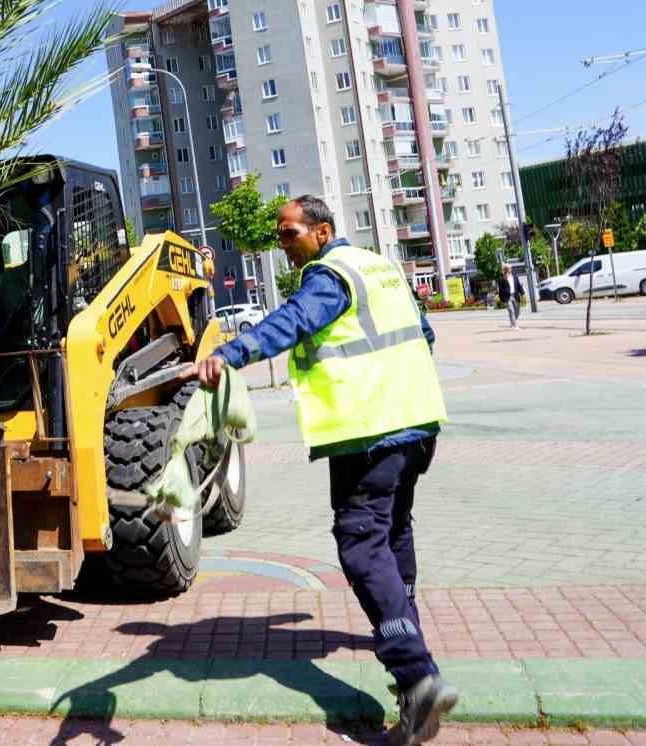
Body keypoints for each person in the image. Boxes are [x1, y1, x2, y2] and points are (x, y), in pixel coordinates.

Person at [193, 196, 458, 745]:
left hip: (368, 431)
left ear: (322, 231)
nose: (282, 243)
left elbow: (294, 321)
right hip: (417, 423)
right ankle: (408, 633)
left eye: (289, 233)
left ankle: (416, 676)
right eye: (280, 235)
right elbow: (425, 336)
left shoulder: (328, 275)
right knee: (394, 532)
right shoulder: (380, 268)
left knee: (361, 545)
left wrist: (232, 353)